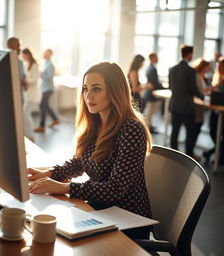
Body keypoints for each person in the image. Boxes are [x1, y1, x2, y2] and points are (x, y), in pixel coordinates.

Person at [28, 62, 152, 239]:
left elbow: (114, 189)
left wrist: (64, 187)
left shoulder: (131, 129)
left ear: (114, 92)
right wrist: (46, 173)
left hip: (128, 222)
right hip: (99, 212)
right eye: (86, 89)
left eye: (97, 89)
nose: (88, 96)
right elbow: (78, 163)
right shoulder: (96, 124)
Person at [168, 45, 203, 159]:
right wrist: (203, 97)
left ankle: (173, 154)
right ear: (189, 54)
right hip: (187, 107)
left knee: (175, 131)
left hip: (175, 105)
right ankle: (188, 155)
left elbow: (170, 87)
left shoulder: (172, 69)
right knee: (190, 132)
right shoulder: (190, 71)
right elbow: (193, 90)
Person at [7, 37, 34, 142]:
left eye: (19, 45)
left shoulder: (19, 61)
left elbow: (23, 79)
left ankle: (22, 140)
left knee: (19, 120)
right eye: (17, 45)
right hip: (11, 98)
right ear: (10, 46)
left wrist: (25, 82)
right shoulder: (8, 61)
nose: (19, 48)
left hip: (19, 97)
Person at [203, 57, 224, 164]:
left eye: (221, 66)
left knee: (220, 134)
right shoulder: (218, 78)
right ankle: (217, 153)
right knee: (213, 132)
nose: (219, 68)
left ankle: (218, 156)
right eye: (218, 66)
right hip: (215, 109)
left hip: (221, 111)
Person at [34, 49, 60, 132]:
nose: (44, 54)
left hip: (48, 89)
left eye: (46, 53)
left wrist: (40, 74)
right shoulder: (45, 64)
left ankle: (42, 126)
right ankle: (55, 120)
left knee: (42, 106)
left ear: (50, 55)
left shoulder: (50, 65)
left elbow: (49, 77)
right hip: (45, 88)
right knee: (45, 106)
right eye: (44, 53)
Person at [191, 58, 212, 159]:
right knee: (195, 128)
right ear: (203, 67)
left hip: (200, 104)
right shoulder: (196, 76)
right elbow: (198, 91)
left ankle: (191, 150)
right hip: (196, 105)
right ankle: (191, 152)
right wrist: (209, 89)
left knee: (197, 127)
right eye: (208, 67)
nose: (209, 69)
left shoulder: (201, 76)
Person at [144, 52, 163, 134]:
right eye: (156, 57)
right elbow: (155, 82)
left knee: (150, 111)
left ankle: (149, 126)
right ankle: (148, 127)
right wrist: (164, 87)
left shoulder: (150, 67)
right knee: (150, 111)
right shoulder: (152, 68)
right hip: (152, 93)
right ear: (151, 58)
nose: (157, 59)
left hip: (150, 92)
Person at [22, 48, 40, 125]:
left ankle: (30, 135)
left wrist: (25, 81)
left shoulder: (34, 66)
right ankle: (29, 134)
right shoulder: (27, 65)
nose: (23, 57)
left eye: (24, 55)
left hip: (33, 95)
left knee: (25, 114)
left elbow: (34, 80)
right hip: (28, 94)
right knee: (26, 114)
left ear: (28, 55)